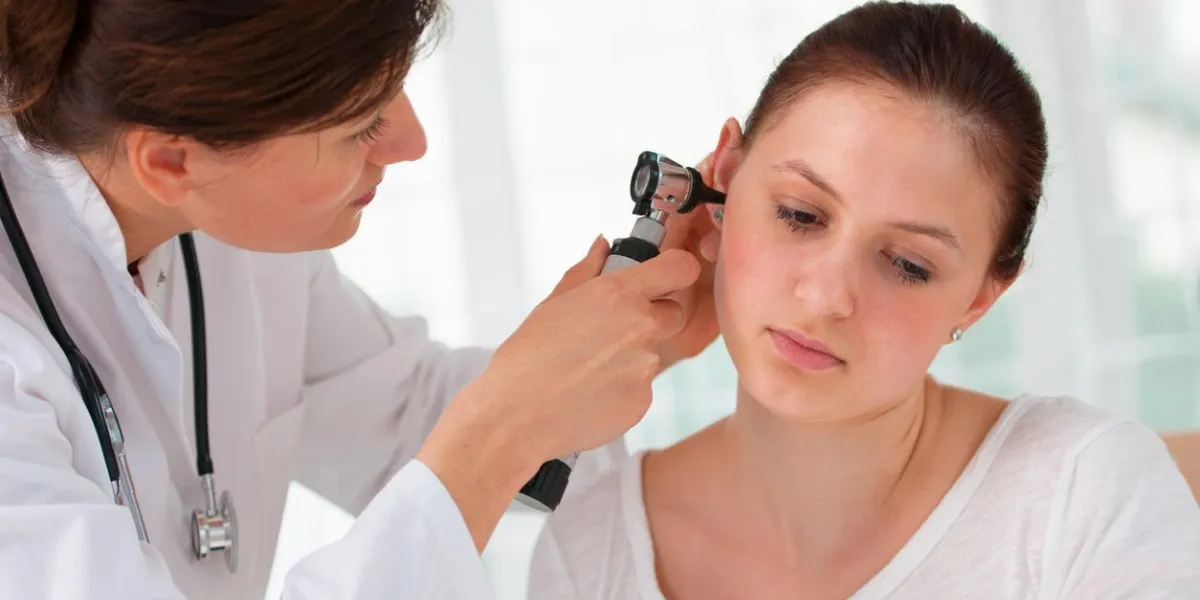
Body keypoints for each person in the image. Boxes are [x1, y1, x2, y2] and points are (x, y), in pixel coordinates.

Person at [0, 1, 721, 599]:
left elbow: (406, 417)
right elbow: (467, 451)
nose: (414, 142)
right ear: (170, 161)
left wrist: (643, 325)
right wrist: (506, 427)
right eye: (359, 125)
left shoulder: (223, 225)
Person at [527, 3, 1200, 599]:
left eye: (908, 265)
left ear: (979, 300)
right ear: (724, 176)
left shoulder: (1084, 497)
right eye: (799, 215)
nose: (825, 296)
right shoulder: (593, 546)